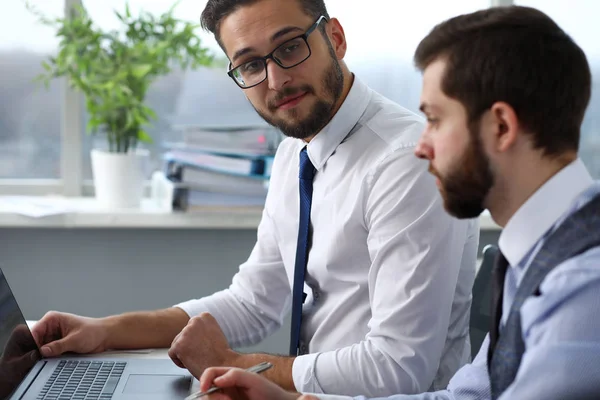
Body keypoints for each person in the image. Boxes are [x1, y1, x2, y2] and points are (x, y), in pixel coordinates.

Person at [30, 0, 478, 397]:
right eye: (249, 65)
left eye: (289, 48)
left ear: (335, 39)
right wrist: (106, 332)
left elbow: (400, 369)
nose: (277, 79)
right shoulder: (295, 153)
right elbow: (254, 302)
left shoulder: (407, 161)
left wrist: (240, 367)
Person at [195, 4, 600, 400]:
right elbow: (468, 395)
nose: (420, 147)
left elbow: (404, 368)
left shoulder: (582, 285)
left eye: (436, 121)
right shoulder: (535, 255)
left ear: (501, 126)